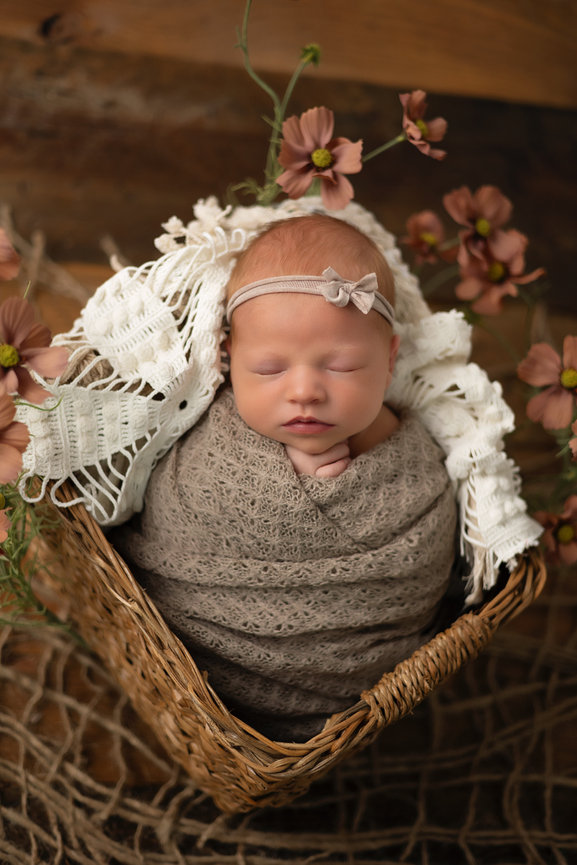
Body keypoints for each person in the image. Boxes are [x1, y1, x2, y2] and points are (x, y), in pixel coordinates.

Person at [112, 213, 458, 741]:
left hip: (350, 684)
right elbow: (174, 506)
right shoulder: (215, 432)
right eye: (270, 369)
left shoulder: (411, 461)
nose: (304, 391)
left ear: (389, 361)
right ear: (228, 359)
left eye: (340, 366)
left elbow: (421, 559)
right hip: (198, 652)